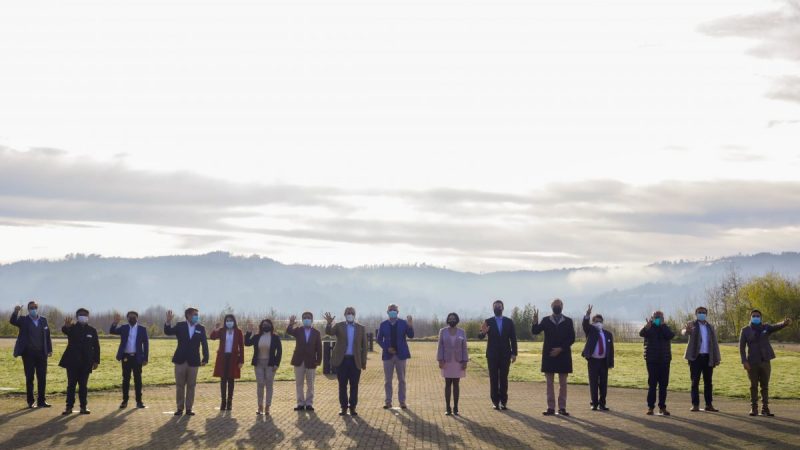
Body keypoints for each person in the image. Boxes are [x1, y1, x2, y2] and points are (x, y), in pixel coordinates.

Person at [739, 310, 793, 417]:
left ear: (761, 317)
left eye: (757, 316)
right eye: (753, 316)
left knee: (765, 386)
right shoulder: (745, 330)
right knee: (753, 386)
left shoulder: (766, 327)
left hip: (765, 361)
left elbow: (776, 326)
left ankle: (765, 408)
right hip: (752, 362)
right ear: (750, 317)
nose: (755, 317)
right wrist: (744, 361)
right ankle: (754, 408)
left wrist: (784, 323)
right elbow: (741, 347)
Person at [531, 298, 575, 416]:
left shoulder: (568, 321)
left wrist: (561, 349)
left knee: (563, 384)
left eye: (558, 305)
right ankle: (550, 408)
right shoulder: (546, 320)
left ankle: (562, 408)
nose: (557, 307)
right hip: (549, 356)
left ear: (562, 306)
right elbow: (535, 331)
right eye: (555, 305)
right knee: (549, 384)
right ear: (551, 307)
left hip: (563, 355)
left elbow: (572, 338)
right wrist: (535, 321)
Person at [164, 307, 209, 416]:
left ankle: (189, 408)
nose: (196, 317)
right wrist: (168, 321)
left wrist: (205, 358)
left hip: (194, 361)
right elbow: (168, 332)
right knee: (180, 385)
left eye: (197, 315)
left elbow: (204, 344)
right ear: (188, 315)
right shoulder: (180, 326)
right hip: (180, 360)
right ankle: (180, 408)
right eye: (194, 314)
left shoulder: (201, 328)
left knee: (191, 385)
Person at [325, 307, 368, 416]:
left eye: (352, 313)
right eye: (348, 313)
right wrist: (329, 323)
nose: (350, 314)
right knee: (342, 385)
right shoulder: (339, 326)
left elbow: (365, 346)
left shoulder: (361, 328)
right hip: (342, 360)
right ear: (344, 314)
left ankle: (352, 407)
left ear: (355, 315)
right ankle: (343, 407)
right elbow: (329, 332)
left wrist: (363, 362)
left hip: (355, 360)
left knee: (354, 385)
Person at [10, 301, 53, 408]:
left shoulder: (43, 320)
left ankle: (41, 401)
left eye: (35, 307)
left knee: (42, 378)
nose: (33, 309)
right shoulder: (23, 320)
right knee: (30, 378)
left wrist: (49, 349)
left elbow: (47, 336)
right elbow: (12, 321)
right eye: (31, 307)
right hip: (28, 354)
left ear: (37, 308)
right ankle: (30, 401)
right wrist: (16, 311)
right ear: (28, 309)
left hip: (42, 354)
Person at [59, 308, 100, 415]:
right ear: (77, 317)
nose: (83, 316)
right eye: (81, 315)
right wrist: (66, 326)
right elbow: (65, 330)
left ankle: (83, 407)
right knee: (71, 385)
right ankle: (69, 407)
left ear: (88, 317)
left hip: (86, 363)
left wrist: (96, 361)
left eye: (85, 315)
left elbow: (96, 347)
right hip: (72, 362)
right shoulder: (72, 328)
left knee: (83, 386)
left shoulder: (92, 330)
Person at [477, 300, 517, 410]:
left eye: (499, 306)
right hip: (492, 355)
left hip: (505, 354)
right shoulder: (488, 321)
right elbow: (480, 336)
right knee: (493, 378)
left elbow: (513, 338)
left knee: (504, 378)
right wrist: (484, 332)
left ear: (503, 308)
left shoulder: (509, 322)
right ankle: (495, 401)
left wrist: (514, 353)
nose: (497, 308)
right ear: (493, 308)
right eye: (495, 306)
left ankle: (504, 402)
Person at [681, 306, 721, 412]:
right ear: (696, 314)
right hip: (695, 357)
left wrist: (717, 358)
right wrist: (686, 331)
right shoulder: (692, 324)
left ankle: (709, 405)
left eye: (703, 312)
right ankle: (695, 405)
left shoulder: (710, 327)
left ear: (706, 314)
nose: (702, 314)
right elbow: (684, 332)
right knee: (695, 382)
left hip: (708, 357)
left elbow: (715, 343)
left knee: (708, 382)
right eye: (699, 312)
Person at [377, 304, 414, 409]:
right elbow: (379, 339)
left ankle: (402, 401)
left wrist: (410, 325)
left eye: (394, 310)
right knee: (388, 380)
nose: (392, 311)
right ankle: (388, 401)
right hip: (388, 356)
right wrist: (386, 348)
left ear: (398, 312)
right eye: (390, 310)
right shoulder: (383, 324)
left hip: (400, 355)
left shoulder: (403, 323)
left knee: (401, 379)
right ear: (387, 312)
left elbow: (411, 336)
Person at [110, 311, 149, 409]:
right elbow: (112, 331)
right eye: (130, 317)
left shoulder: (142, 329)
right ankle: (125, 401)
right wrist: (115, 323)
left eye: (134, 317)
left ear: (137, 318)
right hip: (126, 357)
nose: (132, 318)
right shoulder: (124, 328)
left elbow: (146, 344)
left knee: (138, 380)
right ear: (127, 318)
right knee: (126, 380)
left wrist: (145, 358)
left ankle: (139, 402)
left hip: (137, 357)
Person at [640, 310, 674, 416]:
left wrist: (663, 325)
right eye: (656, 316)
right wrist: (647, 326)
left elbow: (670, 335)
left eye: (660, 316)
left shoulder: (665, 328)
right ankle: (650, 407)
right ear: (652, 317)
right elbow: (641, 333)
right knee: (652, 385)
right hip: (652, 360)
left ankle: (662, 407)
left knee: (663, 385)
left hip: (665, 360)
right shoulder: (649, 328)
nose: (658, 318)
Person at [245, 318, 282, 415]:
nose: (265, 326)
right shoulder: (257, 336)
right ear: (261, 326)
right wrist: (249, 332)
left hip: (270, 364)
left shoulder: (275, 337)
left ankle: (267, 407)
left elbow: (279, 351)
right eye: (264, 324)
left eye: (267, 324)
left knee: (269, 385)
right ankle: (260, 406)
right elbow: (247, 343)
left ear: (271, 326)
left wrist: (276, 364)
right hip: (259, 363)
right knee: (260, 384)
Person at [287, 312, 323, 411]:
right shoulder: (298, 330)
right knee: (299, 383)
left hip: (311, 361)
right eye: (305, 318)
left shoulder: (316, 333)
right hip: (298, 361)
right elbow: (289, 331)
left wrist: (318, 360)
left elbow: (319, 348)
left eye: (308, 318)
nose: (307, 319)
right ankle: (300, 403)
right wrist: (291, 324)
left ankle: (309, 403)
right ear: (302, 320)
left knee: (310, 384)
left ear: (312, 320)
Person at [582, 305, 614, 411]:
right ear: (593, 322)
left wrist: (610, 363)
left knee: (603, 384)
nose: (598, 323)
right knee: (594, 383)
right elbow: (585, 325)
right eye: (596, 321)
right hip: (593, 361)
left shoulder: (608, 334)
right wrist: (587, 315)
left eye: (600, 321)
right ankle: (594, 403)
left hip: (604, 361)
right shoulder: (591, 331)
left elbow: (611, 350)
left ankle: (602, 404)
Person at [210, 314, 245, 411]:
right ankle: (223, 401)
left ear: (234, 321)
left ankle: (229, 402)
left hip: (233, 358)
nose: (229, 322)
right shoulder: (222, 330)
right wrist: (215, 329)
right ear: (225, 322)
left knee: (231, 380)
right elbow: (212, 337)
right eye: (227, 320)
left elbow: (241, 347)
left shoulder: (238, 332)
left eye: (231, 320)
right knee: (223, 380)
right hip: (223, 358)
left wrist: (241, 360)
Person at [437, 312, 468, 416]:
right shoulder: (443, 331)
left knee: (456, 384)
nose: (452, 320)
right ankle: (447, 408)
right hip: (446, 361)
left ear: (457, 319)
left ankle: (456, 408)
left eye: (453, 318)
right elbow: (440, 346)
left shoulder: (462, 332)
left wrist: (465, 361)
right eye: (450, 318)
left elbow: (464, 347)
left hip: (458, 362)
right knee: (447, 384)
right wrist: (440, 359)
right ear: (447, 320)